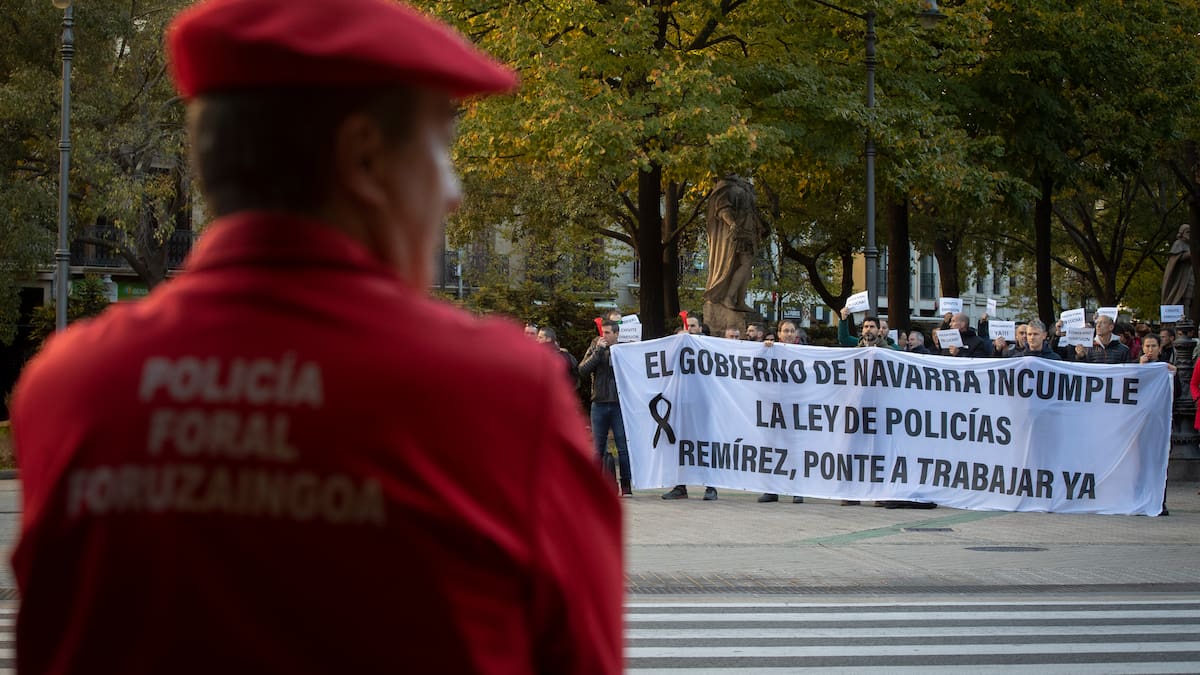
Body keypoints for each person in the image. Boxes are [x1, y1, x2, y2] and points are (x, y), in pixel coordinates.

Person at [7, 1, 623, 673]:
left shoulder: (69, 388)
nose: (453, 193)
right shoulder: (505, 397)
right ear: (362, 158)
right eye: (442, 148)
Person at [579, 320, 634, 498]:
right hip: (599, 403)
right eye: (603, 332)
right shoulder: (595, 347)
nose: (605, 335)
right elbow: (582, 370)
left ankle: (626, 485)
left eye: (608, 333)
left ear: (617, 334)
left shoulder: (624, 349)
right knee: (597, 448)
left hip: (618, 404)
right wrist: (598, 351)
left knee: (623, 447)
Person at [703, 175, 762, 312]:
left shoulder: (745, 186)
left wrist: (759, 226)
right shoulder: (726, 185)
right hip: (738, 232)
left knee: (747, 267)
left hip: (748, 230)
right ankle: (729, 297)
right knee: (745, 264)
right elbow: (722, 208)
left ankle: (739, 300)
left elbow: (752, 211)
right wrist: (732, 223)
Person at [1162, 223, 1193, 311]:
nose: (1190, 234)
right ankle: (1178, 318)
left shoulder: (1191, 246)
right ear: (1182, 232)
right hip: (1180, 277)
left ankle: (1186, 318)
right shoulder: (1178, 243)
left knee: (1188, 298)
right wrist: (1190, 254)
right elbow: (1176, 258)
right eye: (1188, 232)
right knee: (1178, 297)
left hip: (1189, 274)